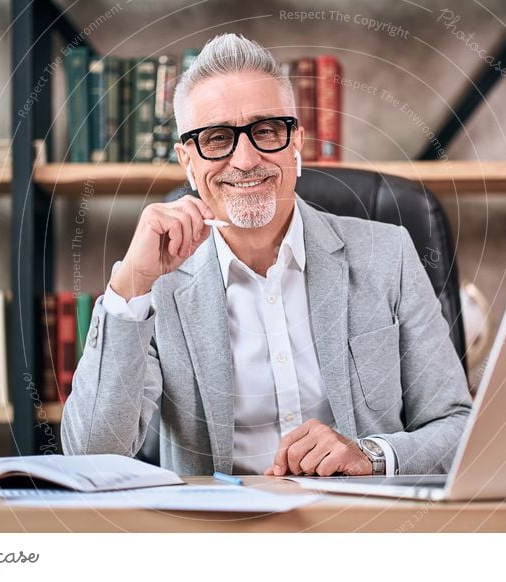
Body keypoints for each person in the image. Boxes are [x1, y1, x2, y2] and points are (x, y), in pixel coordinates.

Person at [61, 34, 472, 477]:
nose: (244, 159)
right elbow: (92, 456)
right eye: (216, 138)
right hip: (217, 538)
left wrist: (370, 455)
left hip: (359, 528)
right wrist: (131, 286)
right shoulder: (156, 284)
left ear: (296, 141)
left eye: (265, 131)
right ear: (187, 161)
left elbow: (457, 427)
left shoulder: (387, 254)